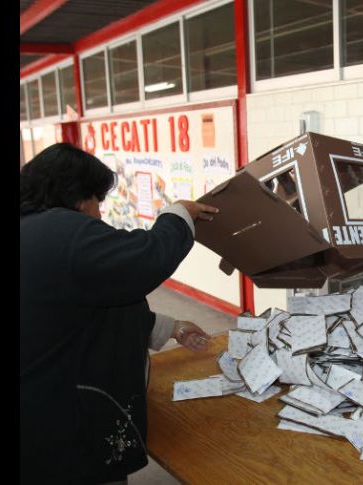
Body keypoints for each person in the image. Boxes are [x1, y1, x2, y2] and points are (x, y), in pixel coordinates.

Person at [20, 143, 218, 484]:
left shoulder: (32, 232)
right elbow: (145, 260)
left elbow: (83, 310)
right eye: (98, 201)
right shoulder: (62, 232)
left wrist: (170, 327)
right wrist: (178, 214)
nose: (99, 214)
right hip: (62, 432)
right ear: (78, 196)